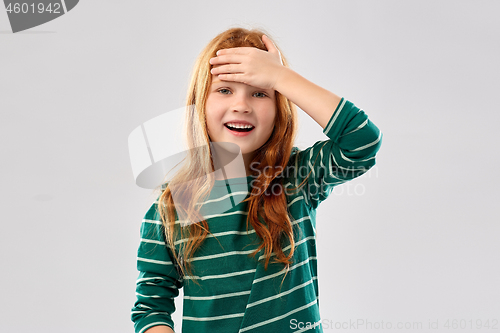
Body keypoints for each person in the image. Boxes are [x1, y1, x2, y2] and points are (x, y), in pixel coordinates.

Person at [131, 27, 382, 333]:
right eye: (225, 90)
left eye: (260, 92)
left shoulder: (299, 176)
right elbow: (151, 307)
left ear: (279, 107)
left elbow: (362, 142)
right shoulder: (170, 207)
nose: (242, 105)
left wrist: (280, 77)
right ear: (200, 103)